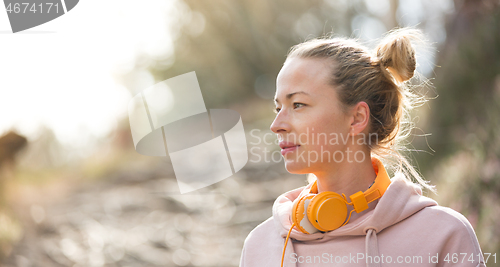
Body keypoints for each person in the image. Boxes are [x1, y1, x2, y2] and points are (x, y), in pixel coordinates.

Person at [239, 28, 486, 267]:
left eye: (298, 105)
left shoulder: (444, 235)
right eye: (278, 108)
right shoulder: (261, 246)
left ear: (357, 118)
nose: (276, 125)